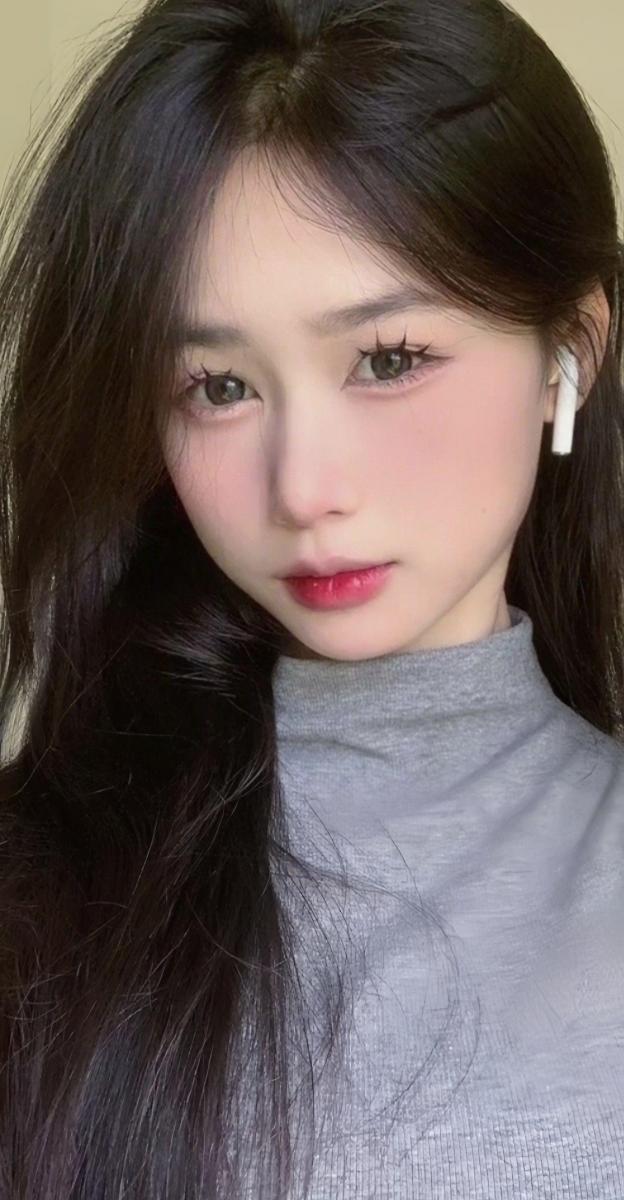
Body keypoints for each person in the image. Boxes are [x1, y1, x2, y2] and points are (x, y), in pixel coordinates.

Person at [0, 0, 623, 1195]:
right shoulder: (39, 889)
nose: (302, 489)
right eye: (218, 385)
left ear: (572, 352)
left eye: (388, 360)